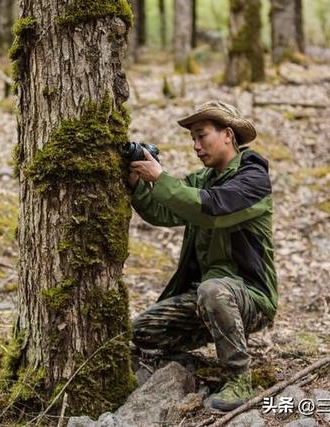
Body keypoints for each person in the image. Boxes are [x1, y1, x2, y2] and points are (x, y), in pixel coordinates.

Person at [128, 100, 278, 411]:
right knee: (140, 332)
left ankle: (239, 379)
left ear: (228, 134)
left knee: (214, 290)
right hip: (204, 299)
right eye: (192, 139)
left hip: (250, 296)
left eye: (202, 136)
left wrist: (161, 178)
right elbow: (163, 211)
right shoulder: (202, 181)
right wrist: (136, 184)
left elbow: (210, 209)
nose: (196, 146)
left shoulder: (254, 179)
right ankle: (211, 343)